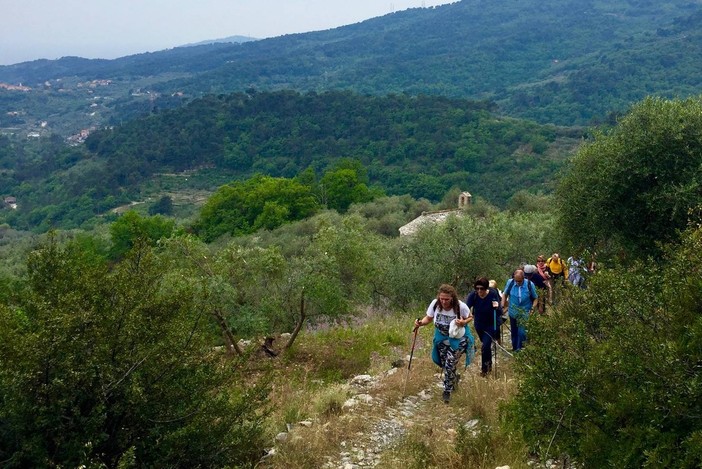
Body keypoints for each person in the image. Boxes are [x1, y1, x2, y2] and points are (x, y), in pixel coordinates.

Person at [414, 284, 474, 403]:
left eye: (446, 299)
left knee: (450, 363)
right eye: (442, 298)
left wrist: (463, 322)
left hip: (458, 339)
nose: (444, 301)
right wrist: (420, 323)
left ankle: (447, 390)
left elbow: (470, 317)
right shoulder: (435, 304)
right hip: (441, 338)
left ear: (452, 298)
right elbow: (429, 318)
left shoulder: (460, 306)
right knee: (444, 364)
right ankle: (454, 378)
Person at [466, 277, 503, 376]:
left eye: (481, 288)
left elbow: (499, 311)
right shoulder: (473, 295)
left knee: (485, 346)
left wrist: (496, 307)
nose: (479, 291)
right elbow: (466, 308)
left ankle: (484, 370)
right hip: (479, 325)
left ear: (486, 288)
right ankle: (489, 364)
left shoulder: (492, 294)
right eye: (477, 288)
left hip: (491, 324)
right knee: (485, 346)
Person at [501, 269, 538, 352]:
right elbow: (505, 294)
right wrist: (502, 305)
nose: (517, 282)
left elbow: (535, 298)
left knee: (522, 332)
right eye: (516, 280)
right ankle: (515, 348)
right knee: (514, 331)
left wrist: (532, 309)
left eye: (519, 281)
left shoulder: (529, 284)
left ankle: (520, 349)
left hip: (525, 311)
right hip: (513, 311)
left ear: (523, 278)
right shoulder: (510, 282)